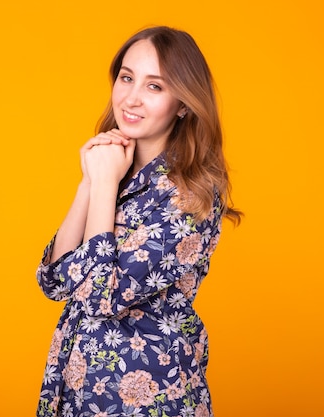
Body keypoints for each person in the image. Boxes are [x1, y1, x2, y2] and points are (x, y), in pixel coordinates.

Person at [36, 26, 241, 417]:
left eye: (155, 86)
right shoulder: (118, 171)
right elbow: (54, 282)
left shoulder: (191, 194)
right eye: (127, 77)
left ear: (183, 103)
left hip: (148, 395)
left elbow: (99, 298)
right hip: (79, 387)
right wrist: (91, 181)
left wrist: (106, 181)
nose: (131, 97)